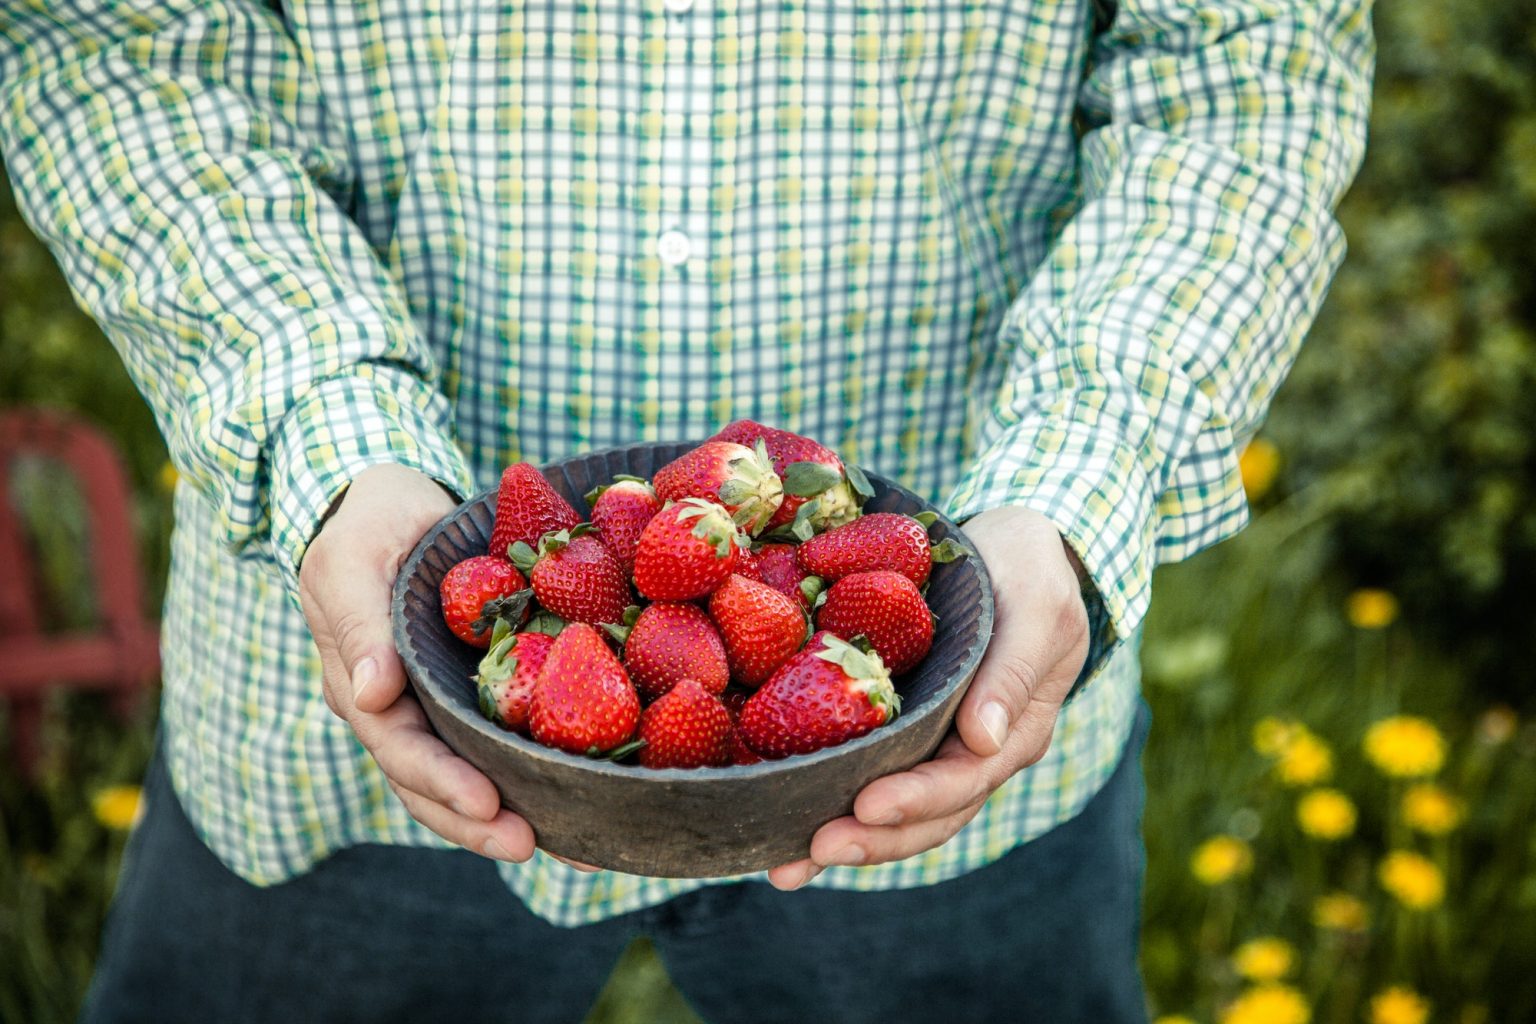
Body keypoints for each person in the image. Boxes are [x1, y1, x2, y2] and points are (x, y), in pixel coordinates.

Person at [0, 1, 1371, 1020]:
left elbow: (1246, 62)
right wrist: (330, 443)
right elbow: (113, 46)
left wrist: (1075, 489)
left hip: (950, 728)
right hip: (355, 732)